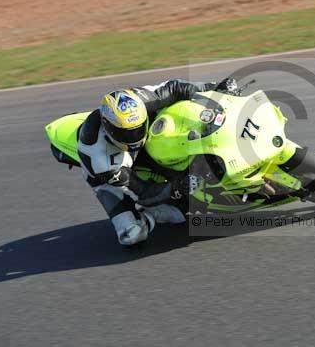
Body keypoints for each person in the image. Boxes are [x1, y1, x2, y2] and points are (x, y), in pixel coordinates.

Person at [77, 78, 237, 246]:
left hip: (145, 140)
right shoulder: (102, 162)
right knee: (133, 235)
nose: (136, 137)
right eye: (129, 134)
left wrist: (213, 89)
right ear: (109, 128)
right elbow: (145, 192)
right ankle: (151, 216)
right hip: (112, 174)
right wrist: (177, 187)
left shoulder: (138, 101)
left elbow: (175, 88)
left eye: (138, 129)